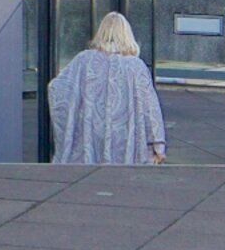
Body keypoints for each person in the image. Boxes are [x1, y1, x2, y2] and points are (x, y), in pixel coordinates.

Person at [46, 11, 167, 164]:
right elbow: (149, 107)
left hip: (90, 132)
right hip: (125, 134)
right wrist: (158, 145)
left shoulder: (84, 60)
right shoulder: (135, 66)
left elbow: (57, 88)